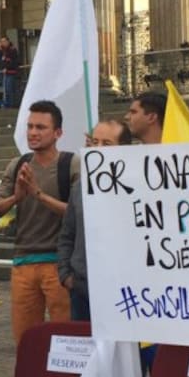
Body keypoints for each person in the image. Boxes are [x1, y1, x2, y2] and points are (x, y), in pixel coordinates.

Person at [0, 100, 78, 344]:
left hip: (59, 264)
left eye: (41, 127)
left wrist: (38, 194)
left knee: (67, 342)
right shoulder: (18, 165)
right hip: (23, 262)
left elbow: (78, 213)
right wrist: (17, 197)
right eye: (30, 126)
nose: (33, 133)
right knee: (26, 342)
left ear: (58, 133)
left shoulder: (70, 164)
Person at [58, 119, 132, 321]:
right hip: (82, 291)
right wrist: (66, 275)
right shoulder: (80, 187)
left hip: (126, 290)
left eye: (106, 144)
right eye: (95, 142)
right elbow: (67, 235)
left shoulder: (138, 187)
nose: (98, 148)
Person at [0, 35, 20, 108]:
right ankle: (2, 104)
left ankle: (10, 105)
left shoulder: (12, 50)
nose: (3, 43)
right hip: (1, 72)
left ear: (8, 42)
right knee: (1, 89)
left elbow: (15, 62)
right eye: (1, 41)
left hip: (9, 72)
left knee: (8, 89)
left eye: (4, 41)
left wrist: (7, 68)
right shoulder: (0, 50)